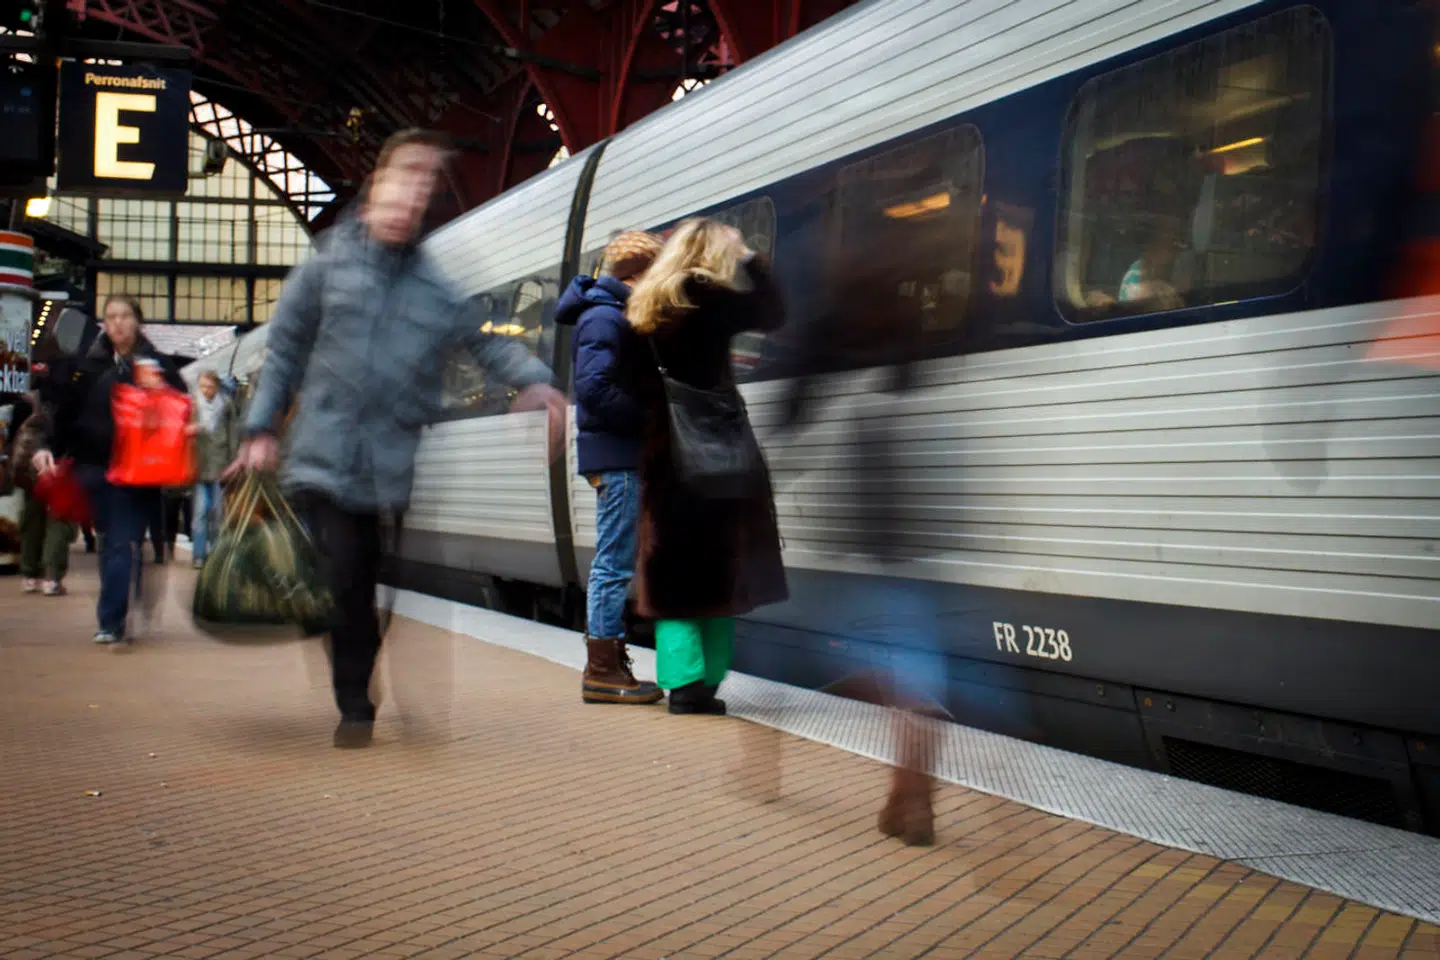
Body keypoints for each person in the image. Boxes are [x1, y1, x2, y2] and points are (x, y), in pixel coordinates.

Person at [233, 128, 567, 749]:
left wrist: (537, 383)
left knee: (363, 584)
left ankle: (349, 660)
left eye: (423, 187)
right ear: (375, 187)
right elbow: (284, 352)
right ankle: (355, 703)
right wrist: (260, 428)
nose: (412, 198)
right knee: (345, 581)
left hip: (389, 464)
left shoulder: (432, 284)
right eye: (403, 181)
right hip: (323, 459)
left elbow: (484, 339)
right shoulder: (327, 265)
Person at [625, 219, 788, 715]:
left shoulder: (644, 308)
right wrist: (749, 259)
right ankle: (707, 686)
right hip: (718, 457)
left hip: (663, 457)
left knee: (672, 577)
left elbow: (626, 388)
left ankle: (681, 685)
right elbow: (773, 312)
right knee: (721, 574)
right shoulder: (712, 299)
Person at [31, 293, 187, 644]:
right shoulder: (88, 366)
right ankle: (121, 605)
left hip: (139, 471)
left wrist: (160, 393)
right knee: (113, 540)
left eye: (124, 316)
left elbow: (180, 403)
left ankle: (111, 620)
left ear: (137, 322)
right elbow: (63, 413)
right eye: (110, 317)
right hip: (94, 467)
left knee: (120, 540)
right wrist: (47, 448)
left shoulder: (157, 365)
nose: (117, 323)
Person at [557, 231, 666, 706]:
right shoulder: (604, 318)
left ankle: (606, 664)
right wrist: (649, 418)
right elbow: (595, 389)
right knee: (613, 564)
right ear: (635, 277)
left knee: (615, 561)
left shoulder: (608, 314)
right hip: (618, 454)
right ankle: (602, 669)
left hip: (620, 452)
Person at [11, 392, 74, 596]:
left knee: (31, 523)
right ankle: (51, 578)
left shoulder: (33, 410)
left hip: (29, 476)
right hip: (58, 472)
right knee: (58, 523)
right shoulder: (68, 405)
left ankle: (30, 576)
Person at [189, 370, 236, 569]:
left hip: (220, 464)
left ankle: (215, 554)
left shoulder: (226, 405)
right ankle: (199, 554)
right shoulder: (193, 406)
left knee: (217, 514)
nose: (206, 391)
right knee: (200, 513)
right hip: (200, 466)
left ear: (216, 386)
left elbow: (233, 435)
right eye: (203, 387)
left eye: (209, 387)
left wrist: (233, 462)